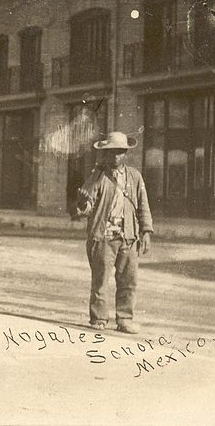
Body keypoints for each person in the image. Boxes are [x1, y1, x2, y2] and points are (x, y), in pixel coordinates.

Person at [74, 131, 153, 335]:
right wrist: (83, 201)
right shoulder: (97, 176)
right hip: (104, 236)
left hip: (128, 236)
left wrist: (146, 231)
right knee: (100, 279)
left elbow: (143, 205)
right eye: (111, 152)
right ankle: (99, 318)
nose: (115, 156)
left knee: (128, 280)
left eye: (119, 152)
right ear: (105, 154)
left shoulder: (135, 176)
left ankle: (125, 319)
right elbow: (87, 205)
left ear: (125, 153)